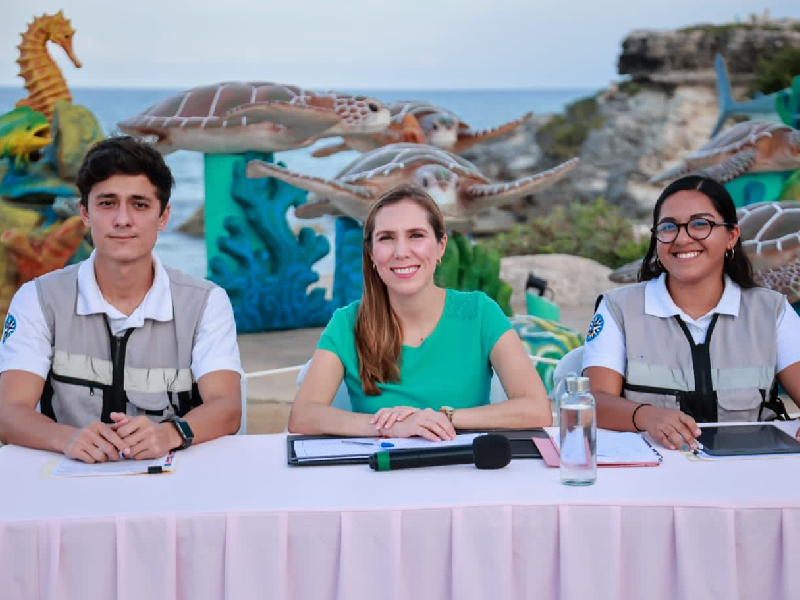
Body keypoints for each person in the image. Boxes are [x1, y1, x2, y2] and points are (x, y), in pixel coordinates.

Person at [0, 136, 242, 463]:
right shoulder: (38, 299)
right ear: (84, 212)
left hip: (173, 479)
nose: (122, 220)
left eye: (139, 205)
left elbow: (227, 407)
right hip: (67, 478)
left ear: (163, 216)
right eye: (107, 203)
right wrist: (67, 438)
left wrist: (170, 434)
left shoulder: (205, 303)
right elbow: (9, 412)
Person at [289, 184, 552, 441]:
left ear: (440, 246)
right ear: (370, 253)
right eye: (386, 238)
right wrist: (391, 426)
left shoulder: (480, 313)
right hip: (380, 468)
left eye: (416, 235)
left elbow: (536, 409)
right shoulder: (347, 323)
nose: (401, 252)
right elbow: (304, 415)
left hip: (466, 465)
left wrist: (442, 418)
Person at [583, 175, 800, 449]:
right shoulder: (618, 308)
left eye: (700, 224)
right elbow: (593, 401)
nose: (682, 238)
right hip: (655, 467)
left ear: (731, 236)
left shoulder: (771, 310)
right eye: (668, 227)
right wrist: (646, 416)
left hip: (752, 463)